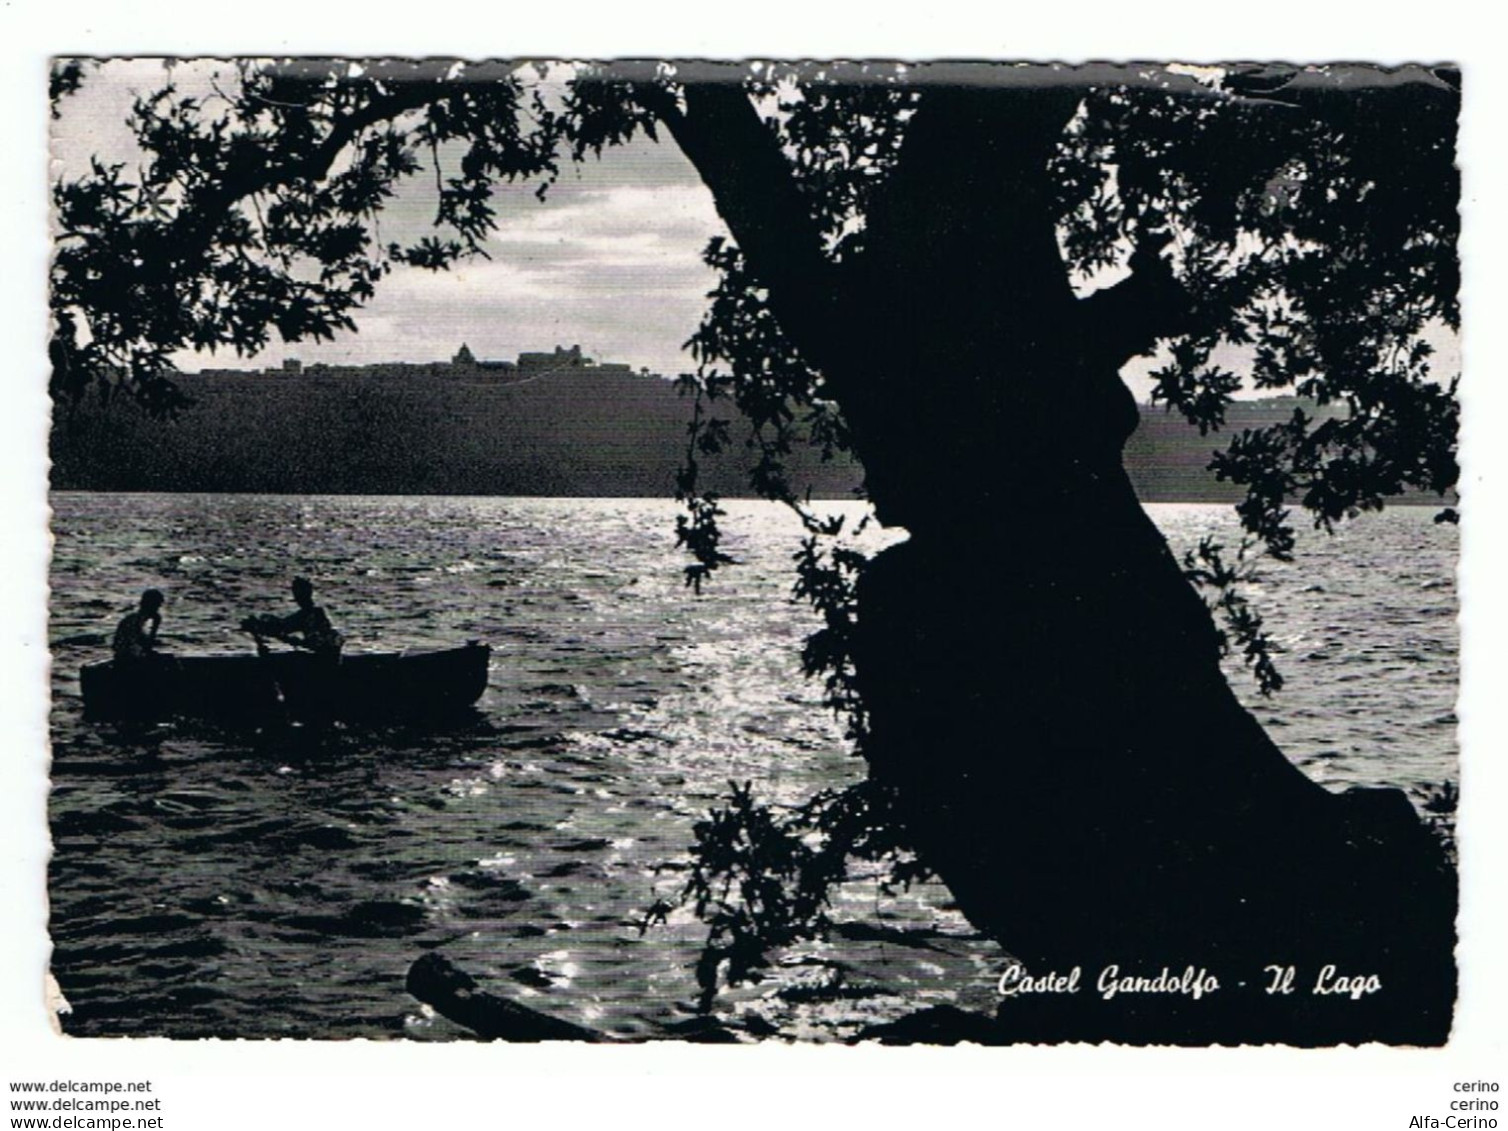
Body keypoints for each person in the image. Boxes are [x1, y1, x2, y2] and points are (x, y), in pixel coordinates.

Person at [242, 577, 344, 659]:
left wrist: (260, 627)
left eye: (300, 593)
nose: (298, 597)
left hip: (320, 660)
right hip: (320, 656)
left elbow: (282, 628)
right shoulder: (310, 613)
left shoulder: (311, 614)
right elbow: (283, 627)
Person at [112, 588, 164, 665]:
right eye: (157, 605)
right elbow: (130, 644)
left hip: (134, 653)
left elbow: (147, 645)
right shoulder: (134, 620)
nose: (158, 607)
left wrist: (155, 626)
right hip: (127, 656)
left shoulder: (141, 620)